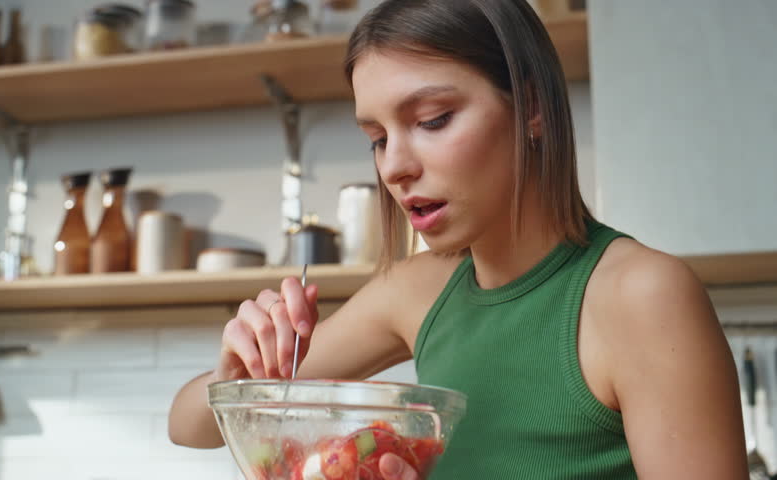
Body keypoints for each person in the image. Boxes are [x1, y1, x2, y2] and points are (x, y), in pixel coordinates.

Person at [169, 0, 748, 478]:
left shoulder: (640, 295)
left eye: (432, 119)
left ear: (533, 107)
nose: (394, 167)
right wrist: (238, 374)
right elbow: (189, 425)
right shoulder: (415, 291)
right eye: (376, 137)